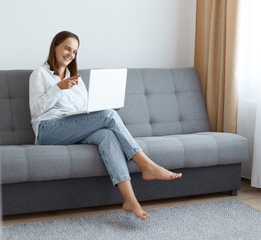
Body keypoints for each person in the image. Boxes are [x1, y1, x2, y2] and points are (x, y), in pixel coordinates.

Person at [29, 31, 182, 220]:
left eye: (74, 51)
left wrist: (103, 108)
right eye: (67, 48)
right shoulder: (40, 74)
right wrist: (57, 88)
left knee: (106, 135)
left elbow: (83, 110)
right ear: (55, 46)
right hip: (48, 130)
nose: (70, 54)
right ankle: (146, 164)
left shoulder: (76, 79)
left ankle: (130, 199)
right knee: (108, 117)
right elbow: (36, 110)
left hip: (73, 128)